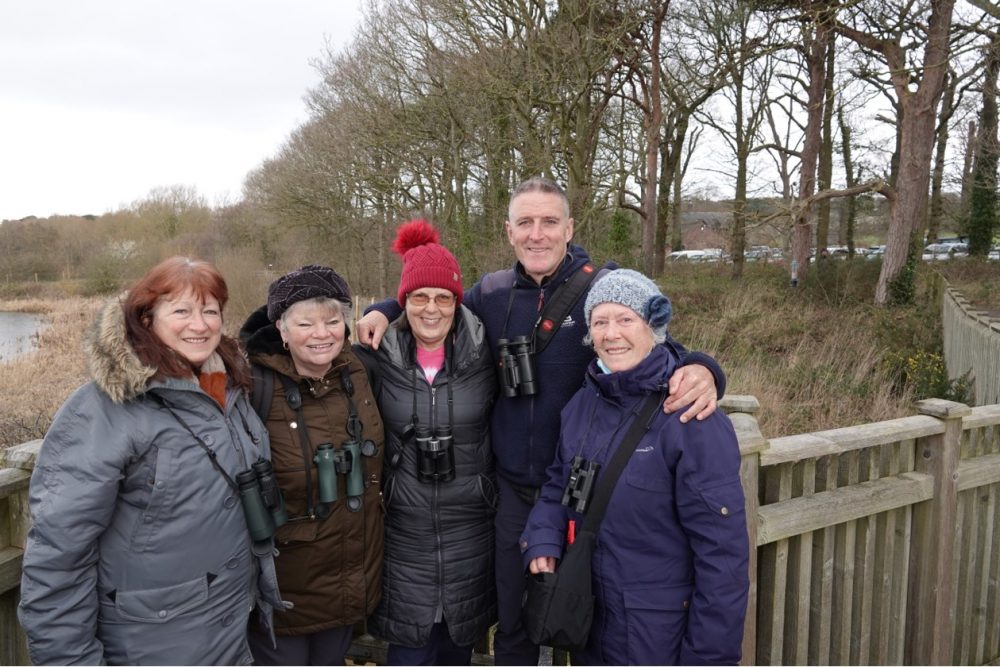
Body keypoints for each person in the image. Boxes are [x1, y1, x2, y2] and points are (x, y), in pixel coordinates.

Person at [357, 177, 726, 664]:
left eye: (550, 222)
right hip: (511, 493)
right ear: (508, 231)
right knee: (514, 625)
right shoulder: (491, 293)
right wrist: (383, 310)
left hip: (585, 490)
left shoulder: (602, 287)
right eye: (525, 223)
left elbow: (653, 337)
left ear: (569, 228)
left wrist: (704, 368)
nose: (537, 234)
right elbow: (434, 300)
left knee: (588, 619)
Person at [18, 256, 288, 666]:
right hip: (152, 643)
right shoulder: (103, 408)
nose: (199, 325)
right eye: (181, 310)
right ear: (146, 319)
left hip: (232, 632)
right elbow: (58, 556)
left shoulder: (228, 389)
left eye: (210, 311)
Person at [522, 269, 749, 665]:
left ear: (654, 326)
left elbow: (722, 559)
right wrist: (542, 536)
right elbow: (560, 482)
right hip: (590, 620)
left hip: (658, 635)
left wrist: (708, 658)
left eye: (626, 319)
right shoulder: (581, 407)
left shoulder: (690, 417)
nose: (612, 334)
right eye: (600, 322)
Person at [355, 220, 497, 665]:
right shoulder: (374, 357)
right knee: (408, 654)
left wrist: (699, 367)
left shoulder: (485, 351)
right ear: (404, 303)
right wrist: (378, 310)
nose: (431, 309)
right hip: (403, 535)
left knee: (456, 653)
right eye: (419, 297)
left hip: (470, 534)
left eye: (442, 298)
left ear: (458, 302)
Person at [239, 265, 385, 665]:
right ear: (282, 330)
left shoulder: (360, 369)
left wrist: (386, 308)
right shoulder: (250, 384)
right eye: (306, 324)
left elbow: (432, 312)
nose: (322, 334)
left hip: (349, 579)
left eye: (332, 321)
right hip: (282, 591)